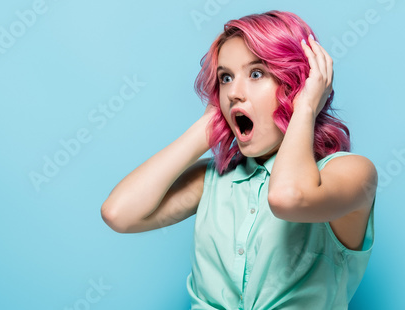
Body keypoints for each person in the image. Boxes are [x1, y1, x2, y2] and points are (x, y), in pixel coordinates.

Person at [100, 10, 378, 309]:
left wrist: (306, 108)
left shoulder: (353, 173)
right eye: (225, 78)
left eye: (256, 73)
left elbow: (288, 198)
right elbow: (119, 214)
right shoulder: (212, 180)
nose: (233, 92)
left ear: (297, 83)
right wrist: (208, 127)